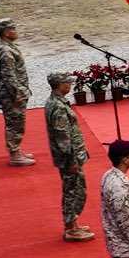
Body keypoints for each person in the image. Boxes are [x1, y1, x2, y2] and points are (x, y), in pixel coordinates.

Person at [45, 72, 94, 241]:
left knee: (74, 189)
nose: (70, 85)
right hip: (69, 159)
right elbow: (63, 138)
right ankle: (70, 228)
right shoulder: (58, 107)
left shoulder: (56, 102)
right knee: (73, 190)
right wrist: (72, 160)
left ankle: (73, 223)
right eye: (68, 82)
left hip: (70, 156)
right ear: (60, 85)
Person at [0, 18, 34, 166]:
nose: (16, 32)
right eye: (13, 29)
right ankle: (14, 154)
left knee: (17, 122)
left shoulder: (7, 47)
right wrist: (17, 94)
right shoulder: (6, 50)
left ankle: (16, 150)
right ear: (6, 32)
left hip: (15, 92)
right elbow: (9, 75)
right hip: (13, 94)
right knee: (15, 123)